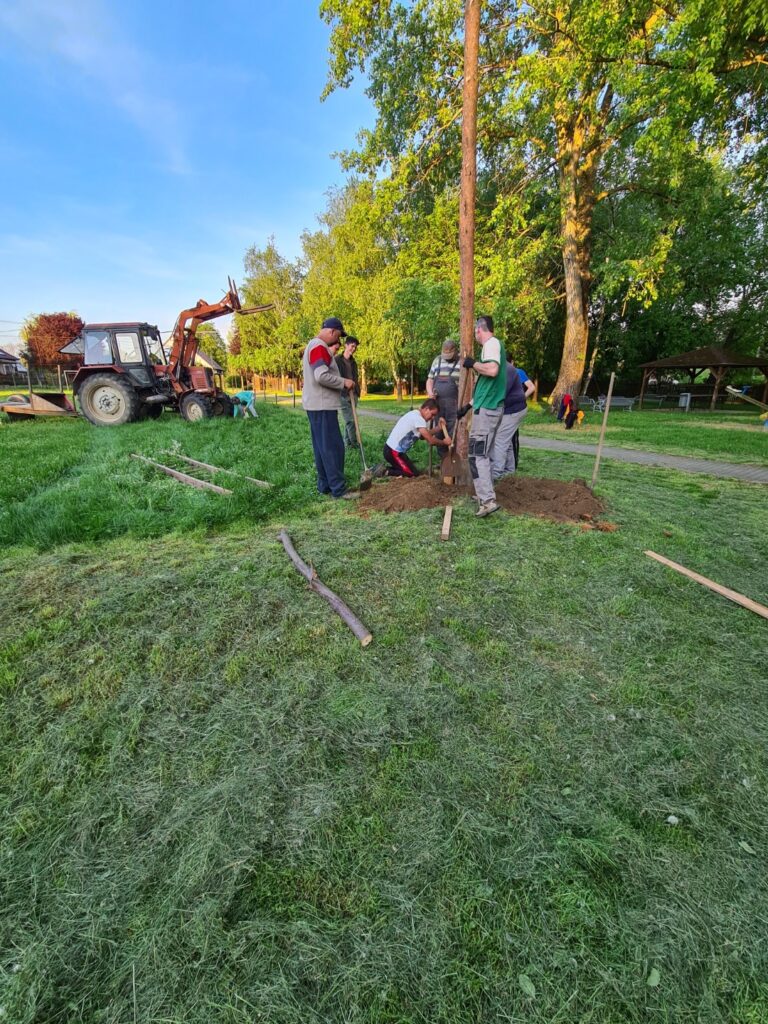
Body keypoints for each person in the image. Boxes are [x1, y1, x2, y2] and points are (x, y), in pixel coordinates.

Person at [301, 317, 358, 499]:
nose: (338, 340)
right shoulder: (319, 347)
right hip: (322, 406)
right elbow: (321, 376)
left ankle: (325, 485)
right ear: (332, 331)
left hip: (315, 405)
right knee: (333, 447)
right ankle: (338, 489)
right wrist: (344, 382)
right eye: (338, 335)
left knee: (322, 448)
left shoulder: (313, 345)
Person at [459, 315, 507, 517]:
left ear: (479, 330)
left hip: (487, 411)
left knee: (478, 455)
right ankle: (483, 494)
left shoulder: (491, 344)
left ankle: (488, 501)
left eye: (476, 332)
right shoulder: (492, 347)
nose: (476, 335)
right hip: (486, 408)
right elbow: (485, 386)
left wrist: (473, 364)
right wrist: (467, 407)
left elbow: (492, 371)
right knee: (479, 454)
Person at [380, 398, 451, 477]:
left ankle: (389, 469)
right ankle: (385, 471)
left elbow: (422, 436)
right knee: (411, 474)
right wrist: (444, 442)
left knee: (415, 473)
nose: (433, 418)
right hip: (393, 452)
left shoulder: (416, 414)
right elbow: (430, 440)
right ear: (426, 409)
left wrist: (438, 428)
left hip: (396, 451)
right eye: (432, 414)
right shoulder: (418, 419)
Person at [491, 359, 535, 480]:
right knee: (506, 440)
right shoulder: (511, 371)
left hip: (513, 411)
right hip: (510, 410)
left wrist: (521, 398)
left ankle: (496, 474)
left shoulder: (512, 371)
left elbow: (532, 387)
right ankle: (509, 472)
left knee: (500, 440)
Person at [426, 339, 461, 439]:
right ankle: (440, 448)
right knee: (439, 431)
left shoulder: (461, 362)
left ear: (455, 351)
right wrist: (430, 393)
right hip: (438, 403)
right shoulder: (437, 360)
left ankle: (452, 448)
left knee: (453, 431)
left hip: (454, 404)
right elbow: (430, 380)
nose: (447, 358)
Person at [334, 336, 360, 449]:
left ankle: (347, 443)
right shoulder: (337, 360)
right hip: (343, 395)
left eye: (355, 347)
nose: (353, 349)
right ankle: (355, 444)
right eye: (352, 346)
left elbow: (355, 378)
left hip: (354, 395)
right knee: (350, 421)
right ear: (346, 345)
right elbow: (335, 378)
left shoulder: (354, 362)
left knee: (349, 420)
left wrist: (356, 391)